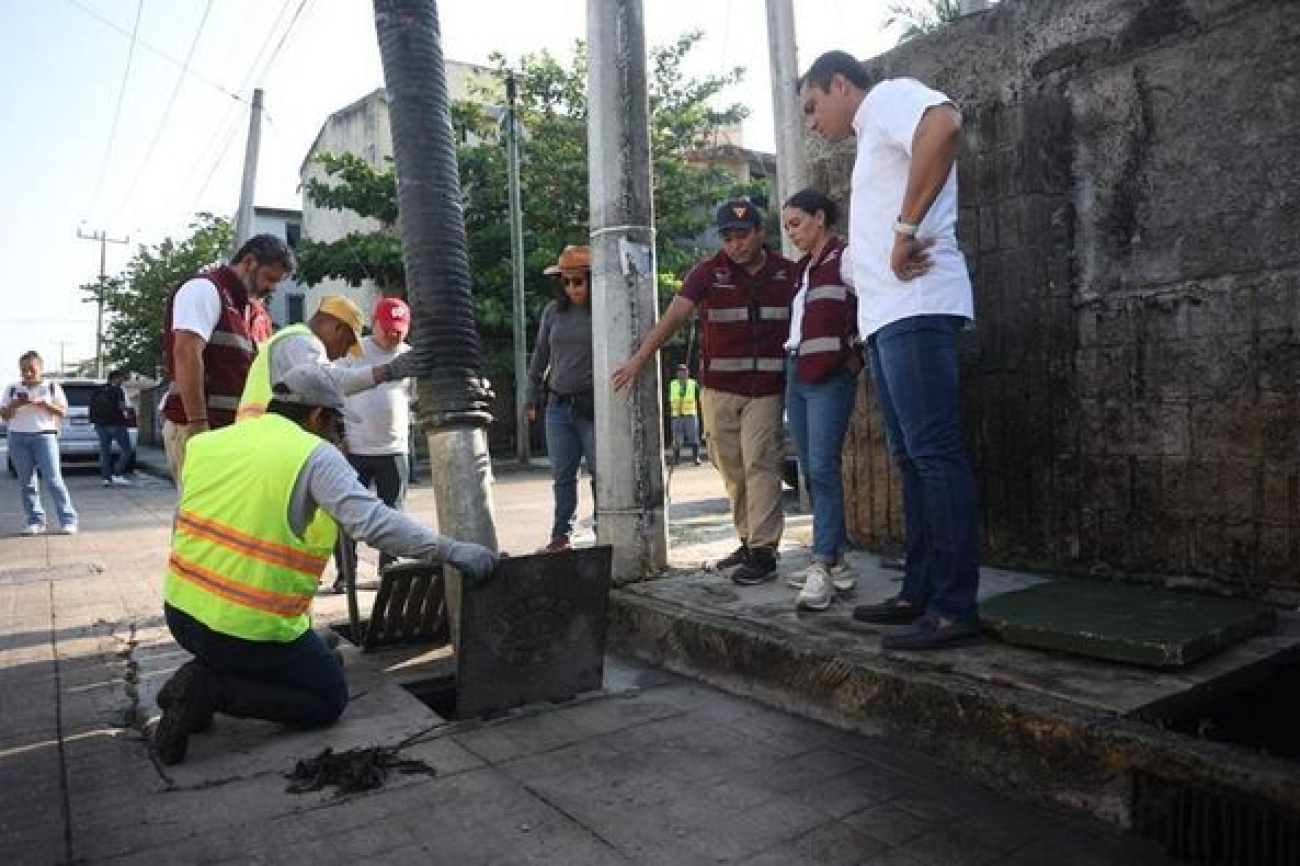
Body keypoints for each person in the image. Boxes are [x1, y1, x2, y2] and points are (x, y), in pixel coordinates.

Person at [151, 362, 498, 766]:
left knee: (311, 651)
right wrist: (455, 551)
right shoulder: (312, 455)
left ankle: (212, 666)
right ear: (317, 415)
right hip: (245, 629)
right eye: (336, 425)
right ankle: (212, 690)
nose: (339, 437)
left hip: (180, 613)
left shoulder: (211, 444)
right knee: (326, 697)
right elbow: (375, 523)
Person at [801, 50, 981, 649]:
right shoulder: (870, 137)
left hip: (919, 305)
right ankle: (920, 594)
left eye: (813, 104)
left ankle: (955, 608)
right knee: (911, 462)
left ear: (843, 84)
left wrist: (904, 234)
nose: (810, 120)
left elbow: (945, 123)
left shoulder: (887, 100)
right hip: (887, 320)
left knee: (934, 455)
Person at [613, 200, 796, 585]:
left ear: (760, 233)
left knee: (760, 463)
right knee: (731, 468)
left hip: (765, 390)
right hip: (718, 391)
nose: (735, 244)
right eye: (728, 237)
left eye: (742, 236)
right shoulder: (707, 273)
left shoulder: (787, 273)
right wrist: (640, 359)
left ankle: (764, 552)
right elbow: (675, 317)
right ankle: (748, 541)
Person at [779, 189, 860, 611]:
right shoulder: (802, 270)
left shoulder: (845, 258)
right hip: (797, 370)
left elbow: (874, 298)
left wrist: (852, 352)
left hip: (829, 374)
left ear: (820, 218)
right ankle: (838, 560)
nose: (791, 233)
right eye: (787, 226)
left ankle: (821, 561)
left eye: (796, 223)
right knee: (811, 469)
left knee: (823, 467)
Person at [160, 234, 296, 483]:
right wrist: (198, 425)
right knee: (201, 516)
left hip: (233, 432)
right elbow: (186, 353)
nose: (273, 288)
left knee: (225, 515)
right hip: (200, 427)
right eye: (270, 278)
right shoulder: (204, 289)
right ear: (250, 261)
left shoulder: (254, 312)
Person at [331, 297, 416, 592]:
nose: (394, 335)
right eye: (389, 328)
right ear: (375, 323)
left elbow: (415, 399)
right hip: (353, 449)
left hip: (394, 449)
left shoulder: (410, 357)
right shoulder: (353, 351)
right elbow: (333, 388)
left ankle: (388, 569)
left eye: (400, 329)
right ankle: (346, 573)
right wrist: (338, 434)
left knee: (392, 513)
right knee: (346, 514)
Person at [526, 246, 596, 553]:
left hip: (592, 405)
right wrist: (530, 395)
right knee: (563, 476)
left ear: (592, 281)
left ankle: (605, 529)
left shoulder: (606, 311)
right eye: (566, 282)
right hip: (557, 404)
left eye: (578, 282)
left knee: (600, 472)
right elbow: (540, 355)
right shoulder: (553, 312)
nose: (572, 288)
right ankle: (561, 536)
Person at [1, 351, 79, 534]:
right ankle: (35, 522)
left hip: (45, 436)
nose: (27, 373)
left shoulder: (51, 386)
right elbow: (4, 416)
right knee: (26, 483)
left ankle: (68, 521)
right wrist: (14, 404)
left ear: (41, 369)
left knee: (54, 480)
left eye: (31, 369)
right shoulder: (12, 388)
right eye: (23, 369)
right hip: (18, 437)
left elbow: (63, 412)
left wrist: (45, 404)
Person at [90, 369, 135, 487]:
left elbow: (91, 407)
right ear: (115, 378)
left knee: (105, 452)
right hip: (116, 424)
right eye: (121, 378)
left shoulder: (98, 390)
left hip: (100, 425)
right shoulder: (117, 390)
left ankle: (106, 478)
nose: (122, 381)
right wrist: (130, 409)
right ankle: (117, 474)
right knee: (127, 450)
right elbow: (122, 407)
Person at [668, 363, 701, 466]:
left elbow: (698, 397)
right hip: (677, 416)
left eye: (684, 371)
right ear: (677, 373)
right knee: (677, 439)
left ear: (688, 372)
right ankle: (676, 459)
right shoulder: (672, 384)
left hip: (690, 414)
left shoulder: (693, 383)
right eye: (680, 371)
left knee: (694, 438)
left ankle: (696, 458)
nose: (682, 373)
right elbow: (670, 398)